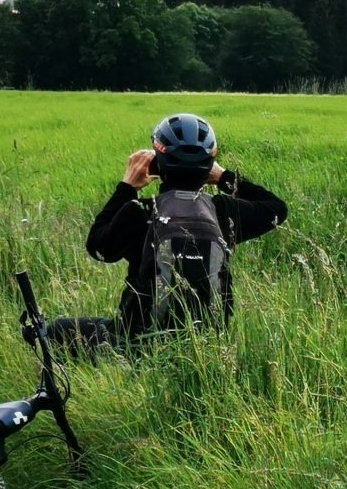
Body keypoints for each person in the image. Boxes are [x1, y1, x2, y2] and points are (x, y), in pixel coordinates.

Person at [54, 112, 288, 353]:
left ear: (158, 161)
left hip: (136, 344)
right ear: (209, 163)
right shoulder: (223, 211)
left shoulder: (139, 211)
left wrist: (127, 187)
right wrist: (223, 177)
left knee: (54, 331)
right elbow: (277, 208)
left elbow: (97, 247)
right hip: (207, 347)